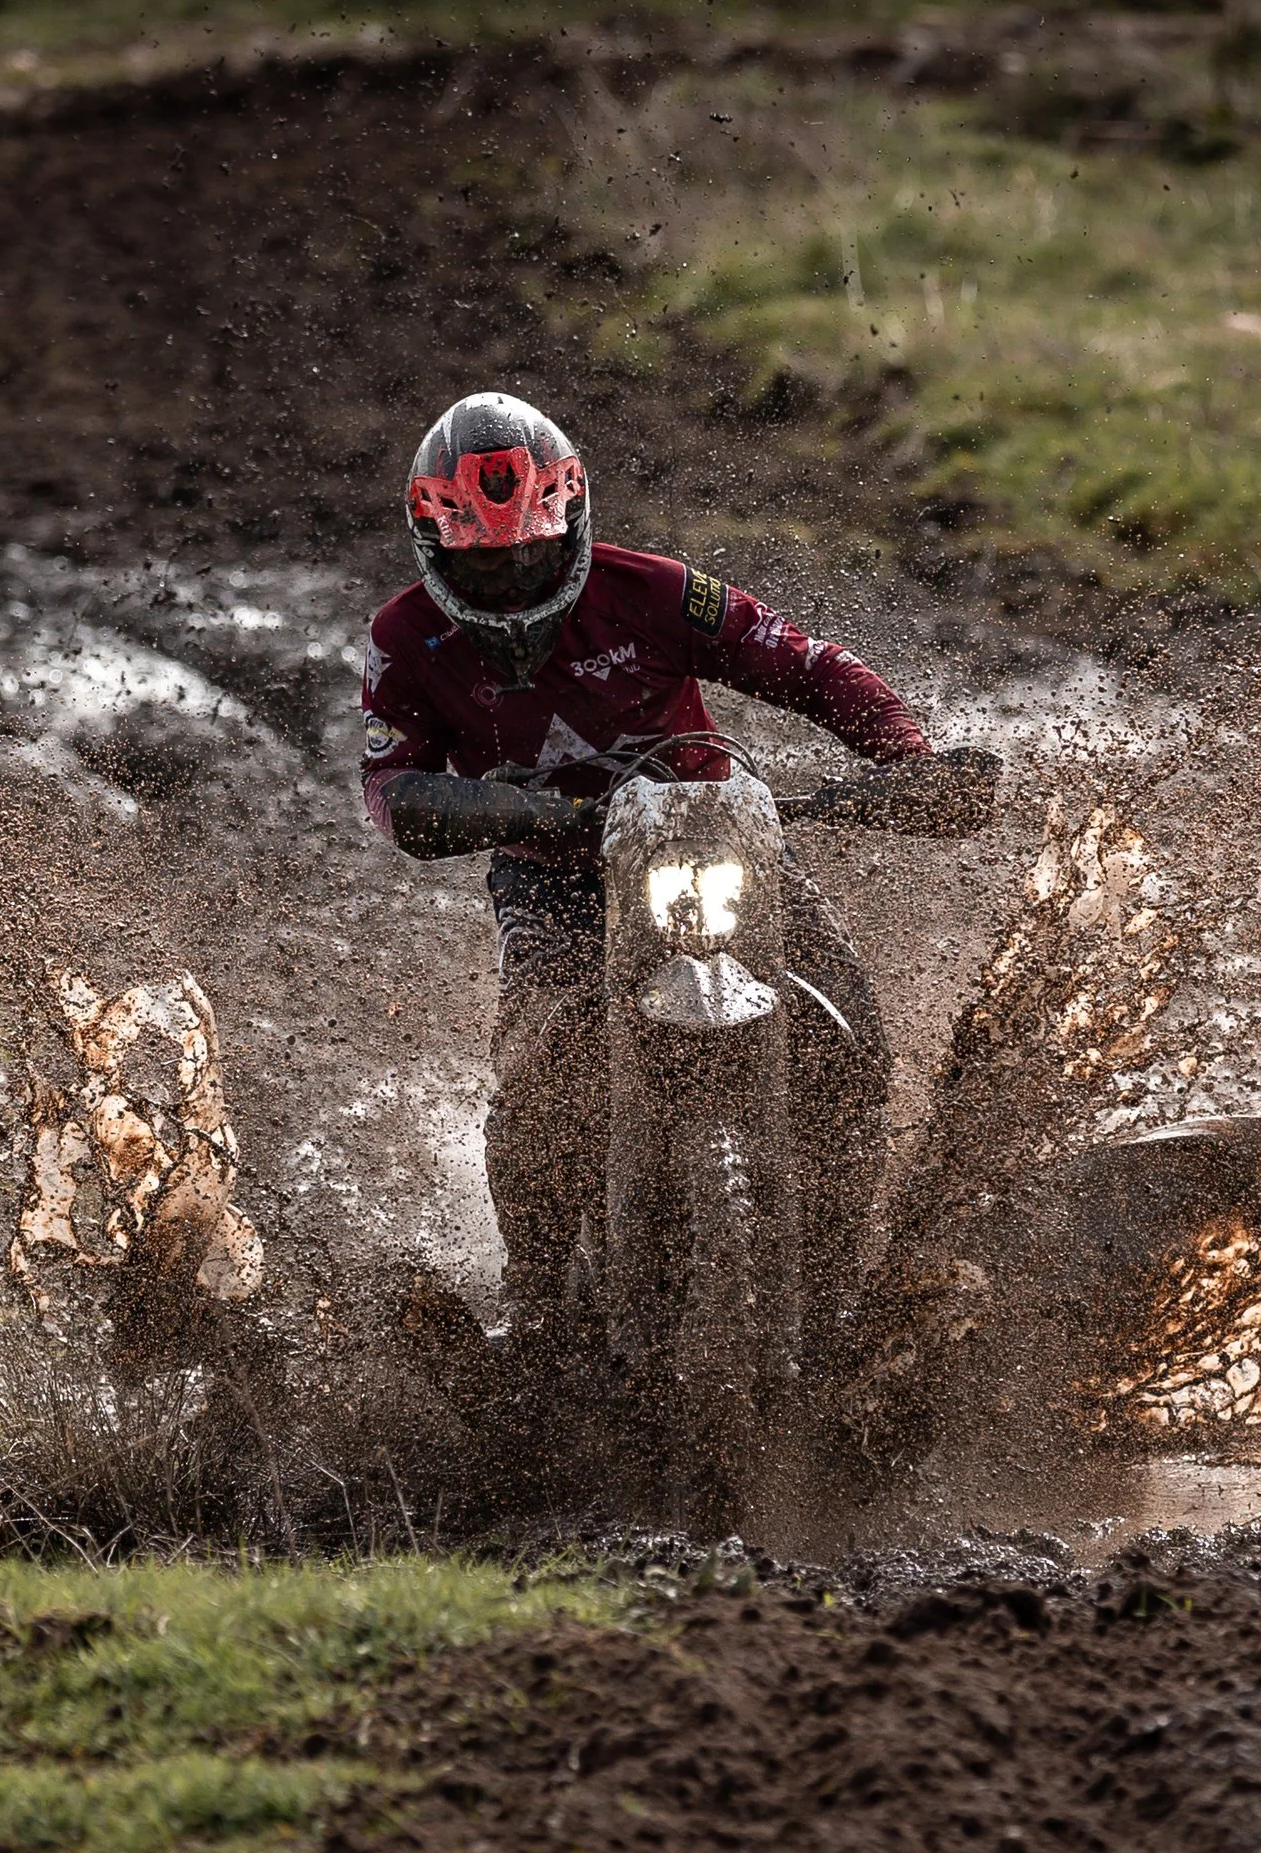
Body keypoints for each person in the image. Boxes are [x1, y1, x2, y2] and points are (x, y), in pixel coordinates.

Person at [359, 390, 994, 1334]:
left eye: (533, 555)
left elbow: (807, 663)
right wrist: (480, 809)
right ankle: (538, 1311)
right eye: (488, 568)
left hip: (718, 838)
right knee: (534, 1084)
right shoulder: (403, 639)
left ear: (571, 526)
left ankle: (844, 1274)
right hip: (551, 875)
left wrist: (909, 763)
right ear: (435, 547)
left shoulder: (651, 590)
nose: (517, 581)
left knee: (851, 1032)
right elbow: (391, 784)